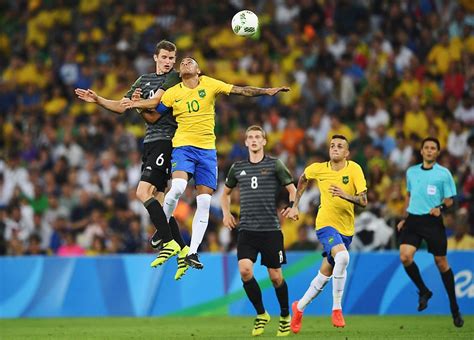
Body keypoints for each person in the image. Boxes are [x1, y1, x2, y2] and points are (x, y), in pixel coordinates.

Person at [124, 57, 289, 269]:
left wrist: (266, 91)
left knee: (203, 202)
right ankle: (162, 229)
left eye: (189, 62)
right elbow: (154, 114)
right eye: (181, 62)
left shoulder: (210, 84)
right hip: (183, 147)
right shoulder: (173, 92)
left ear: (198, 70)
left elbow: (241, 90)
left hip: (207, 152)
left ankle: (191, 252)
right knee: (178, 187)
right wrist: (136, 104)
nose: (184, 63)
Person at [75, 40, 189, 280]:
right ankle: (184, 251)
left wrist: (136, 104)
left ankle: (169, 243)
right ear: (156, 57)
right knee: (158, 201)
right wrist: (99, 100)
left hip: (166, 141)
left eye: (172, 58)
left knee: (142, 191)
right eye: (165, 57)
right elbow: (121, 106)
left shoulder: (173, 79)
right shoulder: (143, 80)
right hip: (149, 143)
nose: (169, 62)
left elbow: (155, 107)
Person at [282, 135, 368, 333]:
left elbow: (363, 200)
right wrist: (295, 205)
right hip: (325, 225)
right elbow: (303, 178)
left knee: (325, 274)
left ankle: (299, 307)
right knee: (344, 257)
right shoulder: (318, 168)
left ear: (347, 153)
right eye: (332, 145)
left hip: (346, 229)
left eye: (340, 146)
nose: (335, 148)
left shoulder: (354, 169)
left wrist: (344, 195)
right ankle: (337, 308)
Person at [221, 125, 296, 337]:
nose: (254, 140)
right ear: (245, 142)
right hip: (246, 230)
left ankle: (284, 316)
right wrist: (226, 213)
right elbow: (224, 194)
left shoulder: (275, 165)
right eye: (250, 137)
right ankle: (262, 314)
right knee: (245, 271)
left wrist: (293, 206)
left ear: (264, 142)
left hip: (270, 230)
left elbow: (292, 189)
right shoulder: (237, 168)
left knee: (275, 277)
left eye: (257, 137)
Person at [397, 137, 464, 327]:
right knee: (405, 257)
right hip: (414, 220)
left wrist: (440, 207)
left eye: (433, 148)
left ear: (437, 152)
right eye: (426, 147)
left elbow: (451, 199)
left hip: (432, 221)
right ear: (421, 151)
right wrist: (404, 218)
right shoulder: (411, 172)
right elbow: (409, 196)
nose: (429, 150)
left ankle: (454, 309)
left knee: (441, 262)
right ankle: (423, 291)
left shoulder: (444, 174)